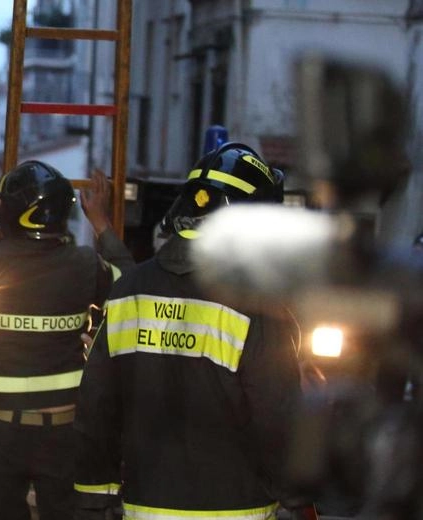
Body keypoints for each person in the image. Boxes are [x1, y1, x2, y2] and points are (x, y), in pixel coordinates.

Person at [73, 143, 316, 520]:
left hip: (143, 508)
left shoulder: (129, 291)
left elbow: (97, 405)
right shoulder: (260, 305)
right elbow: (277, 418)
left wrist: (95, 497)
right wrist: (299, 498)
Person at [0, 161, 135, 520]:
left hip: (0, 433)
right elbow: (128, 280)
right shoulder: (82, 264)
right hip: (63, 434)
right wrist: (100, 221)